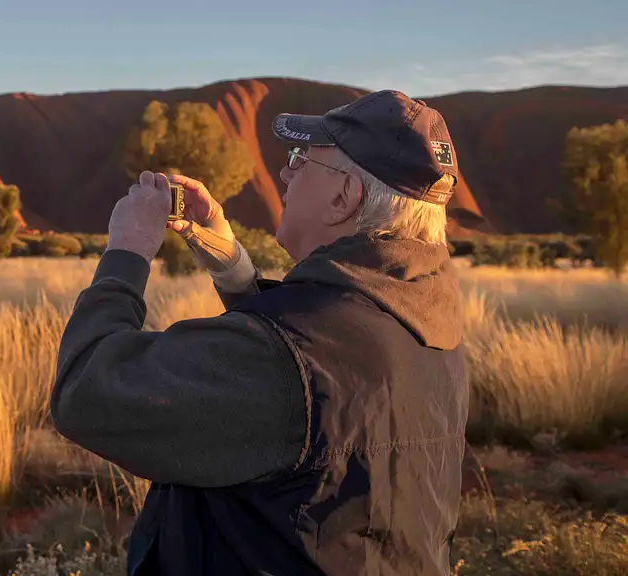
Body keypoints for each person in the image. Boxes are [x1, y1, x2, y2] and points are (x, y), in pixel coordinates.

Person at [50, 90, 469, 575]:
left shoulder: (290, 355)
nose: (286, 174)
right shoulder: (425, 318)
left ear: (343, 197)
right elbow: (316, 395)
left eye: (303, 159)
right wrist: (232, 266)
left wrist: (127, 253)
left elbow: (85, 392)